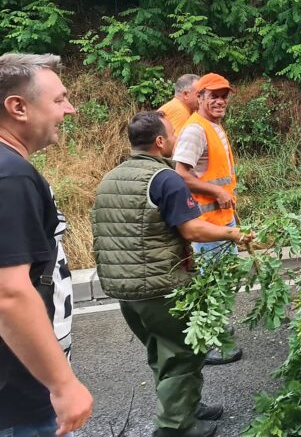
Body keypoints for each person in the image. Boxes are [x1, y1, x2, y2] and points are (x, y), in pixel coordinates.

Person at [92, 112, 253, 437]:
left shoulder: (111, 177)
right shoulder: (165, 179)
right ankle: (175, 427)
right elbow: (192, 229)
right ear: (160, 141)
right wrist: (233, 235)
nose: (177, 140)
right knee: (182, 354)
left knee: (160, 352)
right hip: (160, 287)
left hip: (125, 291)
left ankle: (187, 407)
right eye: (173, 135)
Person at [0, 53, 93, 437]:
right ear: (18, 107)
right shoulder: (10, 177)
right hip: (20, 396)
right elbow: (8, 291)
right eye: (59, 100)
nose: (69, 110)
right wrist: (62, 384)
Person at [171, 73, 242, 365]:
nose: (220, 101)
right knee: (212, 283)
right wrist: (214, 190)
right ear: (198, 97)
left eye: (224, 95)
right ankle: (208, 342)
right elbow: (180, 175)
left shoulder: (213, 126)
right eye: (213, 95)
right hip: (208, 223)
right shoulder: (195, 130)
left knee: (222, 280)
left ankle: (217, 327)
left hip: (221, 219)